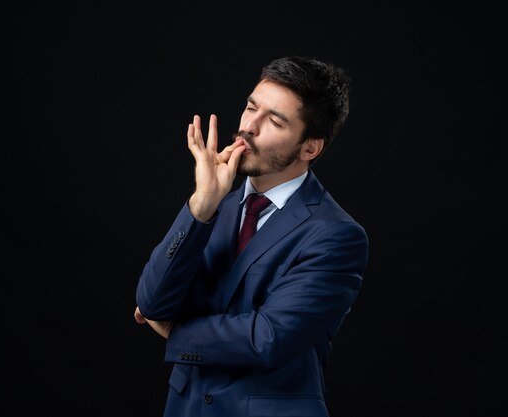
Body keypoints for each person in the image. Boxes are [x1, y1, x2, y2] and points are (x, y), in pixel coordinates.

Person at [134, 55, 369, 417]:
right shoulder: (216, 206)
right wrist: (200, 207)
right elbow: (151, 303)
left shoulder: (336, 235)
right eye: (250, 107)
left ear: (311, 147)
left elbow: (267, 337)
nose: (249, 127)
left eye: (274, 121)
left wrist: (172, 331)